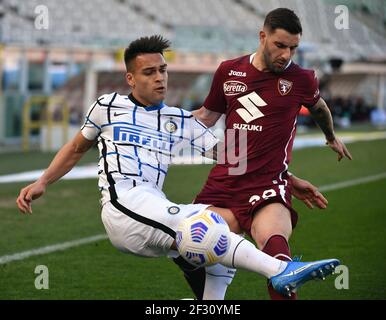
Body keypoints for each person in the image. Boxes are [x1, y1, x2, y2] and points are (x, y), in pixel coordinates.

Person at [16, 35, 339, 299]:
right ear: (130, 78)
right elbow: (76, 148)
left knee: (212, 240)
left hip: (154, 206)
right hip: (123, 206)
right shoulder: (107, 107)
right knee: (200, 228)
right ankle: (279, 271)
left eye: (163, 70)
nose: (159, 78)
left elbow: (236, 156)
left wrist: (286, 178)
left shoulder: (178, 120)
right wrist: (44, 180)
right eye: (149, 72)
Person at [185, 8, 353, 300]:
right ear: (263, 37)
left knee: (277, 256)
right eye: (280, 45)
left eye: (293, 48)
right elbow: (205, 116)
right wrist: (160, 125)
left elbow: (320, 108)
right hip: (226, 180)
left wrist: (331, 137)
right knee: (185, 243)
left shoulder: (302, 79)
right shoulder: (228, 71)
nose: (287, 54)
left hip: (268, 186)